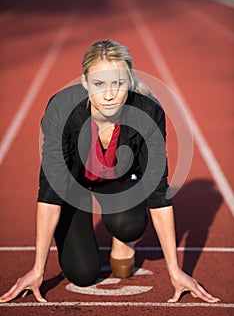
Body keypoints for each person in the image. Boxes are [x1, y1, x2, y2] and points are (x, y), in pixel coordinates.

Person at [0, 40, 219, 304]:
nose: (109, 95)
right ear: (84, 82)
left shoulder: (148, 112)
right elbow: (50, 190)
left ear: (129, 80)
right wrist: (38, 269)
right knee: (82, 273)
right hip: (73, 185)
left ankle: (122, 239)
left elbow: (157, 192)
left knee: (129, 225)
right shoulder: (61, 109)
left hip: (120, 180)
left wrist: (175, 271)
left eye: (118, 83)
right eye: (99, 84)